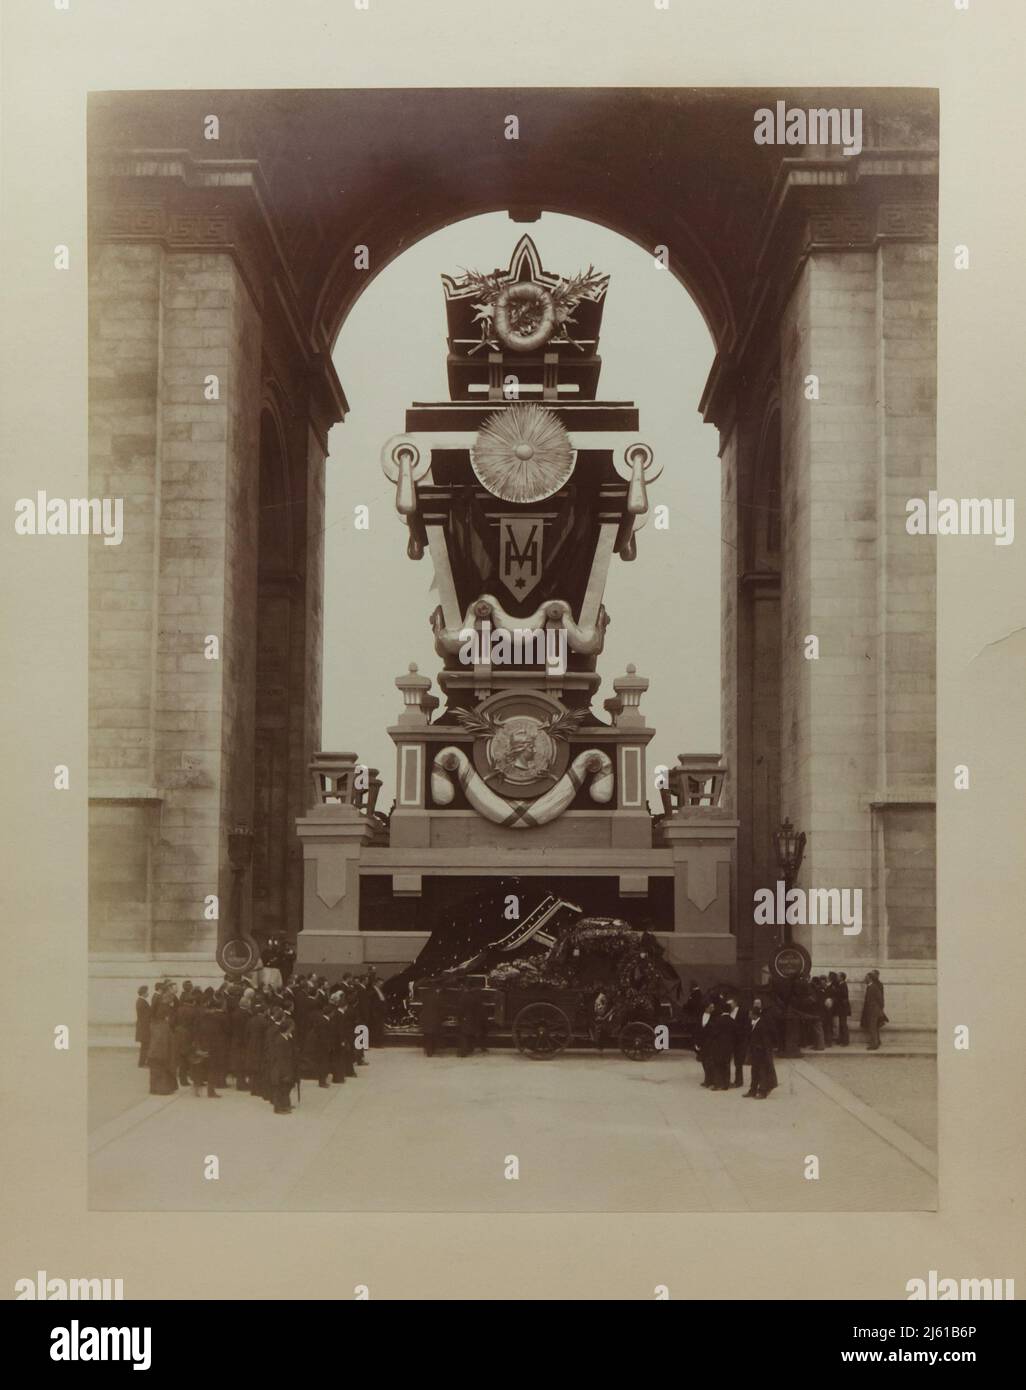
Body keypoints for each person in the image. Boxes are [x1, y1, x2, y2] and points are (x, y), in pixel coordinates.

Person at [744, 998, 778, 1098]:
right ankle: (753, 1090)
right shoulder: (754, 1023)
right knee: (754, 1071)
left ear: (754, 1015)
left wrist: (762, 1050)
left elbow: (766, 1039)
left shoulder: (762, 1024)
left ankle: (762, 1091)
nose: (748, 1016)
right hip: (755, 1053)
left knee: (762, 1072)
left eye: (750, 1014)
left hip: (761, 1053)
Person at [268, 1015, 298, 1114]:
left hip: (286, 1067)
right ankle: (278, 1108)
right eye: (292, 1027)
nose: (293, 1028)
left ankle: (285, 1104)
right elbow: (280, 1058)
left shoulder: (286, 1038)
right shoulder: (280, 1040)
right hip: (281, 1069)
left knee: (286, 1087)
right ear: (288, 1028)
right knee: (280, 1088)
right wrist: (285, 1072)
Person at [146, 1002, 178, 1095]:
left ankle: (153, 1088)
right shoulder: (164, 1026)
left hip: (152, 1052)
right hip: (162, 1053)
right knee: (162, 1071)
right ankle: (163, 1089)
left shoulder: (153, 1024)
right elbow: (166, 1041)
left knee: (154, 1071)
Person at [724, 993, 749, 1088]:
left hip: (740, 1041)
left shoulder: (743, 1012)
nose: (728, 1006)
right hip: (730, 1041)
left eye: (730, 1004)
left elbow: (746, 1027)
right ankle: (727, 1080)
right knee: (727, 1060)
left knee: (738, 1062)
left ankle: (739, 1081)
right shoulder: (728, 1012)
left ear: (735, 1003)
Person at [860, 969, 887, 1050]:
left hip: (873, 1011)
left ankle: (874, 1045)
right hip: (872, 1011)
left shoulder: (873, 987)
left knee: (872, 1027)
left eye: (866, 977)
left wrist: (878, 1009)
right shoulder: (870, 987)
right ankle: (877, 1041)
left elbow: (881, 1000)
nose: (865, 979)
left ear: (870, 979)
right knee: (874, 1027)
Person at [457, 982, 486, 1058]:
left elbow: (461, 1010)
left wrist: (459, 1018)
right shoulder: (477, 997)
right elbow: (481, 1009)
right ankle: (470, 1049)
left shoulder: (464, 997)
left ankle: (463, 1052)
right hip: (475, 1019)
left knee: (464, 1034)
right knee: (471, 1034)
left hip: (467, 1018)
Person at [420, 985, 444, 1057]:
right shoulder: (438, 997)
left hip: (425, 1018)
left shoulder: (425, 996)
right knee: (432, 1035)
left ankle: (428, 1051)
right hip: (434, 1018)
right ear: (437, 989)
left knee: (427, 1035)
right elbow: (440, 1009)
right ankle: (431, 1050)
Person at [135, 986, 151, 1068]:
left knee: (145, 1046)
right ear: (144, 992)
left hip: (143, 1027)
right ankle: (142, 1063)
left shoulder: (140, 1001)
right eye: (147, 991)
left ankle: (143, 1062)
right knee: (145, 1046)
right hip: (144, 1028)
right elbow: (146, 1016)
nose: (148, 993)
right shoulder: (142, 1002)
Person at [836, 971, 851, 1046]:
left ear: (842, 978)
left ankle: (845, 1041)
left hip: (843, 1009)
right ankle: (841, 1039)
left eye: (838, 976)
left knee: (843, 1024)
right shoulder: (840, 985)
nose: (836, 977)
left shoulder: (843, 985)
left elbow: (844, 997)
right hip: (841, 1008)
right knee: (841, 1024)